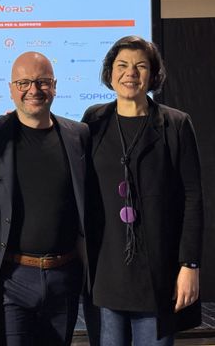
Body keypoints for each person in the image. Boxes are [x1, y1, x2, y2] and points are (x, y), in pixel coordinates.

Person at [82, 35, 203, 345]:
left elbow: (192, 198)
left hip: (158, 272)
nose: (131, 73)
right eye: (122, 65)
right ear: (110, 73)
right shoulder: (94, 121)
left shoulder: (176, 124)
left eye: (141, 66)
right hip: (107, 270)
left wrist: (189, 264)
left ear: (153, 74)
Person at [0, 51, 91, 346]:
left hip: (64, 276)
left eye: (42, 81)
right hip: (11, 279)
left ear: (54, 86)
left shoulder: (79, 135)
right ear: (11, 89)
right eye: (24, 83)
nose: (34, 90)